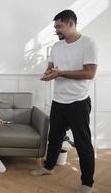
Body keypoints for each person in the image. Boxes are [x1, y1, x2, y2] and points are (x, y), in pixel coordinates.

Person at [31, 10, 97, 193]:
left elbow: (89, 73)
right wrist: (48, 74)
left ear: (71, 23)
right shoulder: (56, 47)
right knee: (55, 137)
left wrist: (60, 73)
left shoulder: (88, 43)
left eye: (59, 26)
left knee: (83, 143)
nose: (56, 30)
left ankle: (87, 183)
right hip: (59, 100)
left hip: (78, 101)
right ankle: (48, 167)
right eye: (55, 27)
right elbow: (50, 68)